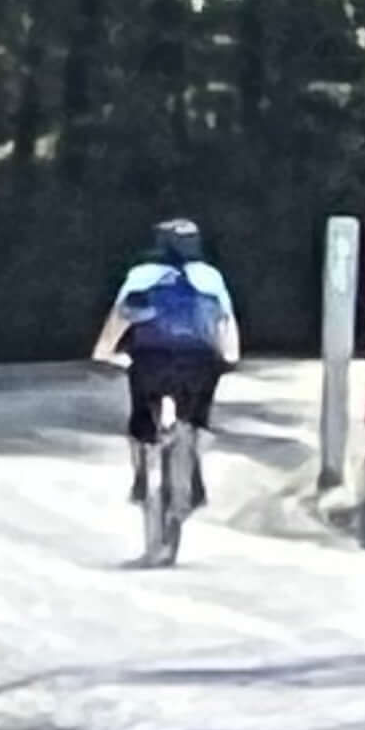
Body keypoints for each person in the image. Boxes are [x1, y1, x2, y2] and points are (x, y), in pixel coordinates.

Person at [89, 219, 241, 512]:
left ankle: (141, 479)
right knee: (197, 420)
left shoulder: (141, 275)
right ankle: (195, 474)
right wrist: (230, 356)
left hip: (151, 359)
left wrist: (104, 351)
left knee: (142, 415)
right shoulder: (211, 277)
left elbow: (121, 316)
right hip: (198, 362)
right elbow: (225, 320)